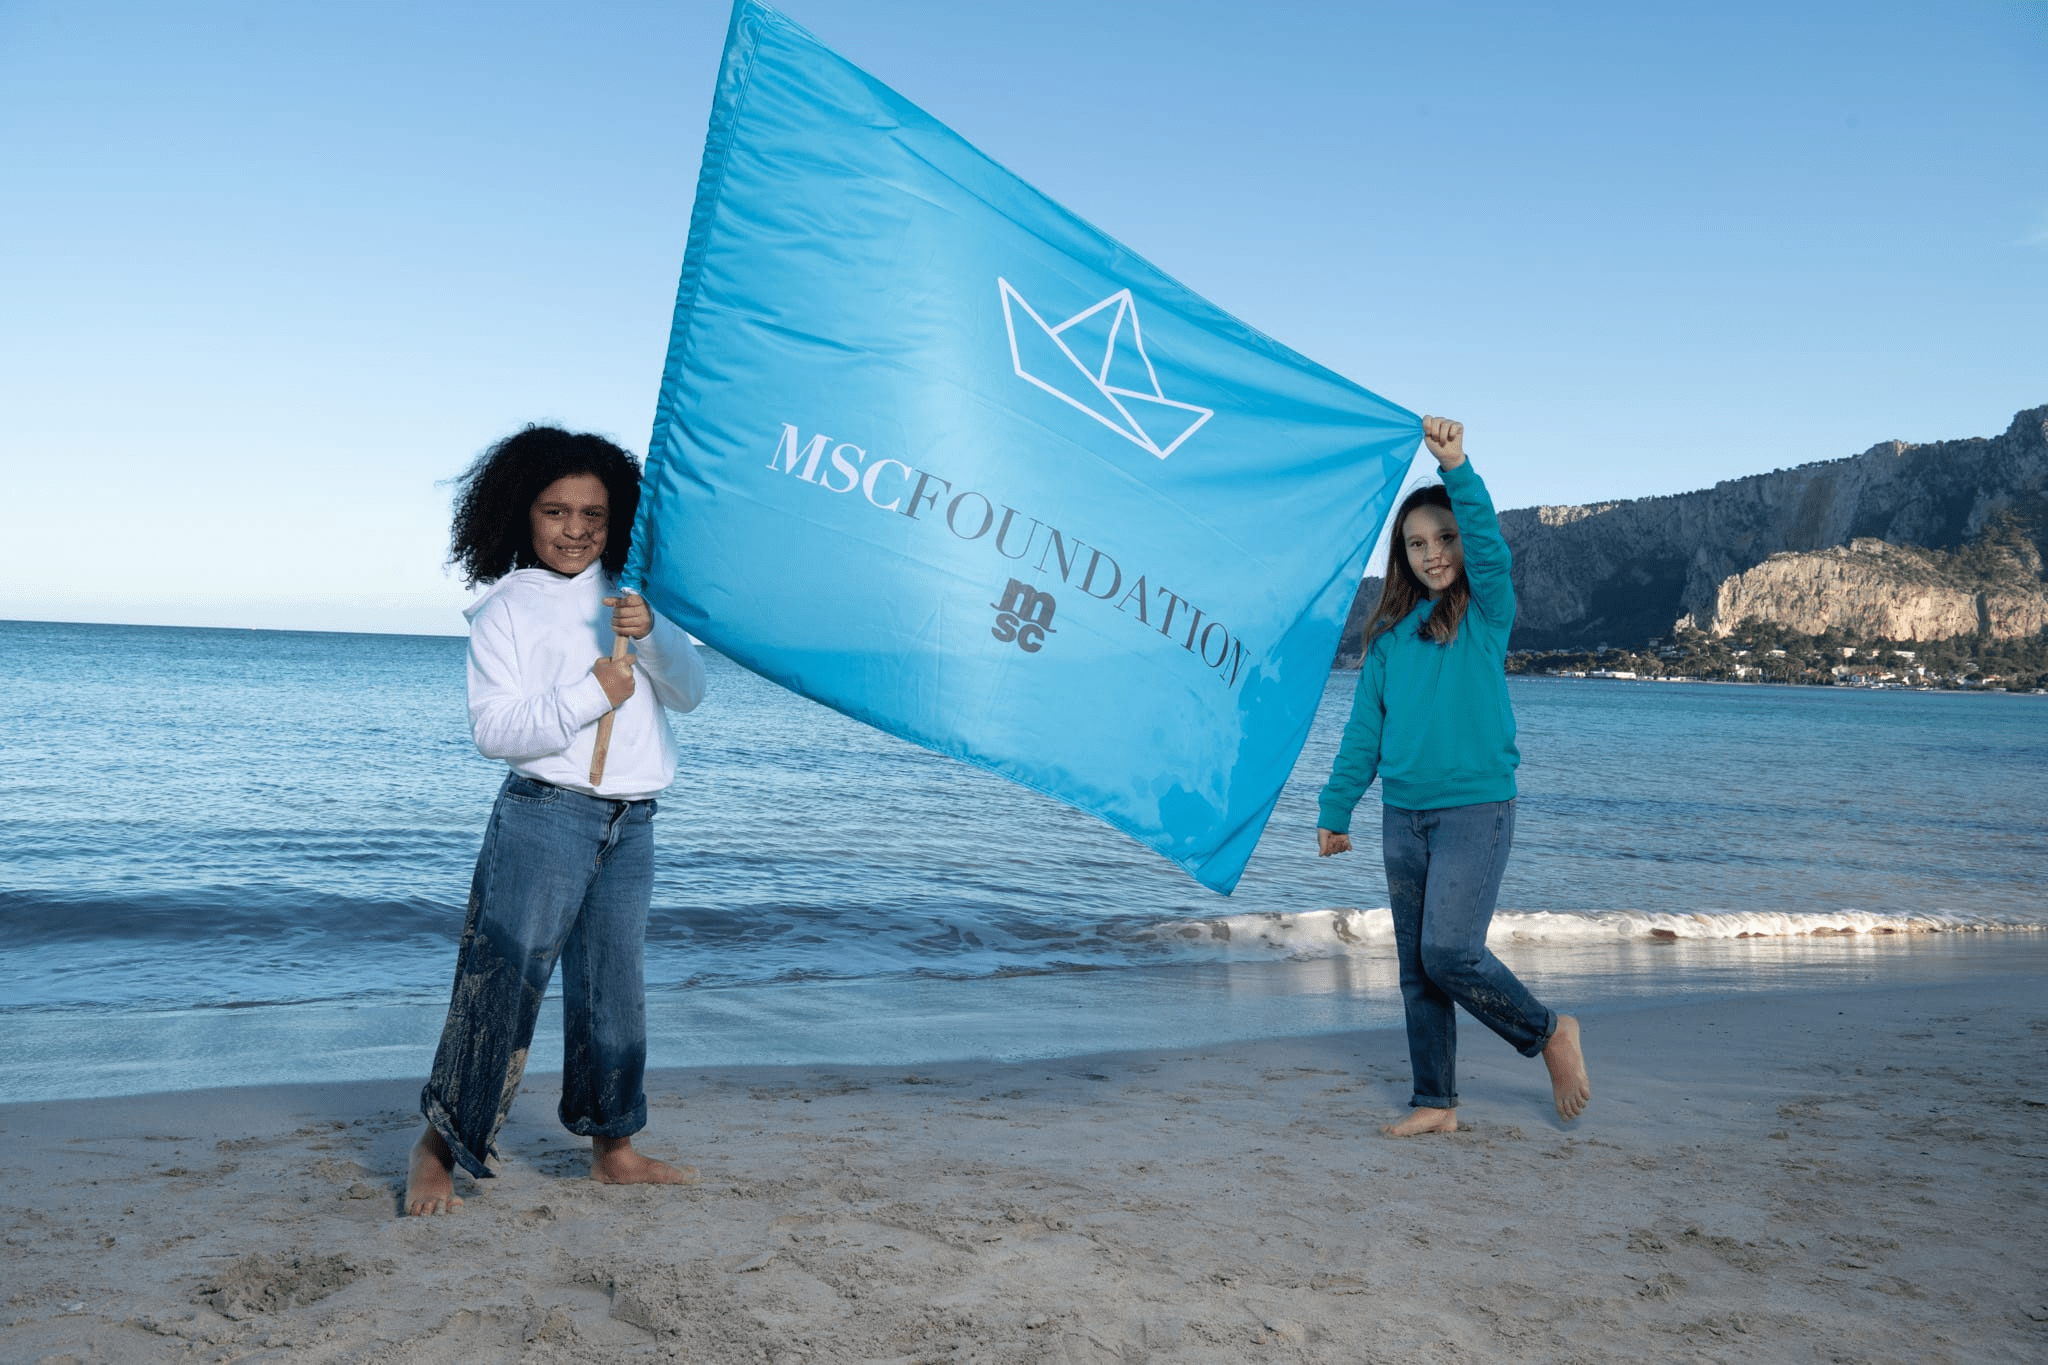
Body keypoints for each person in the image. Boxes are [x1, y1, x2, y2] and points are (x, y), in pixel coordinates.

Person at [405, 424, 708, 1215]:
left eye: (594, 514)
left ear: (620, 519)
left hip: (633, 819)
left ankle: (614, 1145)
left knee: (615, 987)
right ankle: (438, 1144)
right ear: (522, 513)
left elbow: (691, 691)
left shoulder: (633, 596)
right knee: (502, 982)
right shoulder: (505, 610)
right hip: (546, 817)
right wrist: (590, 694)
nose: (576, 529)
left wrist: (656, 636)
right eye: (556, 511)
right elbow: (494, 730)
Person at [1316, 416, 1591, 1137]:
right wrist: (1336, 807)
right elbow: (1362, 736)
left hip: (1476, 809)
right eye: (1417, 543)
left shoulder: (1487, 612)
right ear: (1401, 556)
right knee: (1417, 970)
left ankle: (1549, 1031)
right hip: (1402, 817)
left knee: (1449, 951)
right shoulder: (1385, 642)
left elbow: (1493, 554)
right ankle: (1435, 1101)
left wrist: (1457, 466)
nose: (1433, 552)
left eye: (1445, 538)